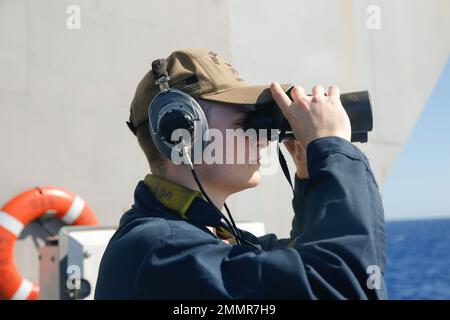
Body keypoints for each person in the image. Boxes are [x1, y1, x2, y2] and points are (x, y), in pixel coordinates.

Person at [94, 48, 386, 299]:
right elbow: (341, 287)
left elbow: (296, 268)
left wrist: (313, 177)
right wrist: (333, 149)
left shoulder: (201, 236)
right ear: (182, 131)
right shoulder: (159, 252)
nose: (264, 136)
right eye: (246, 116)